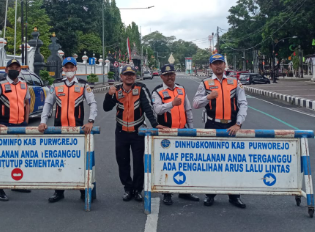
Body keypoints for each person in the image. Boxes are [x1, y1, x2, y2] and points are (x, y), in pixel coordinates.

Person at [193, 54, 248, 209]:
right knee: (212, 161)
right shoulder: (205, 83)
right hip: (212, 125)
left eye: (220, 63)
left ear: (225, 65)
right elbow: (196, 103)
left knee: (232, 161)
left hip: (231, 126)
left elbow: (243, 103)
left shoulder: (235, 82)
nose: (218, 66)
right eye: (215, 64)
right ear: (210, 66)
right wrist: (208, 97)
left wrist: (238, 123)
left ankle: (234, 195)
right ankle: (210, 193)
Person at [38, 57, 97, 203]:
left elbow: (93, 103)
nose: (69, 70)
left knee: (80, 161)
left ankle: (83, 190)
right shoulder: (56, 85)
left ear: (76, 68)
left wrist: (90, 121)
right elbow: (48, 103)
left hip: (78, 130)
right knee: (60, 161)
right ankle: (59, 191)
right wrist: (43, 121)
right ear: (63, 69)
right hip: (59, 130)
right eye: (67, 67)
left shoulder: (83, 85)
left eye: (72, 67)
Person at [103, 65, 162, 202]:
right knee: (122, 161)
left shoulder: (141, 88)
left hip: (138, 131)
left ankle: (138, 190)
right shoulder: (116, 90)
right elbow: (106, 108)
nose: (129, 77)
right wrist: (108, 95)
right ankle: (128, 188)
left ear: (135, 76)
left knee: (138, 162)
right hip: (121, 131)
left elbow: (148, 107)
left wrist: (155, 124)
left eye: (132, 74)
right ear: (121, 77)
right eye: (126, 74)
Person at [151, 64, 199, 206]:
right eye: (166, 75)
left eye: (172, 74)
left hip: (182, 131)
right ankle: (167, 193)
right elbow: (158, 110)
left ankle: (185, 191)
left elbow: (188, 109)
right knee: (168, 164)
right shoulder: (157, 92)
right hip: (167, 132)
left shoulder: (181, 89)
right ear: (162, 77)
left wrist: (191, 129)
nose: (170, 77)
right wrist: (172, 103)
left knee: (184, 162)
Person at [0, 59, 31, 202]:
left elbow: (27, 102)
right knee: (4, 158)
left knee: (19, 157)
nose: (14, 69)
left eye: (17, 68)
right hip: (5, 125)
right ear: (6, 70)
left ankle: (17, 184)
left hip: (20, 125)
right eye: (11, 67)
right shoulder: (0, 85)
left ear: (20, 70)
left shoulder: (24, 84)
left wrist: (26, 121)